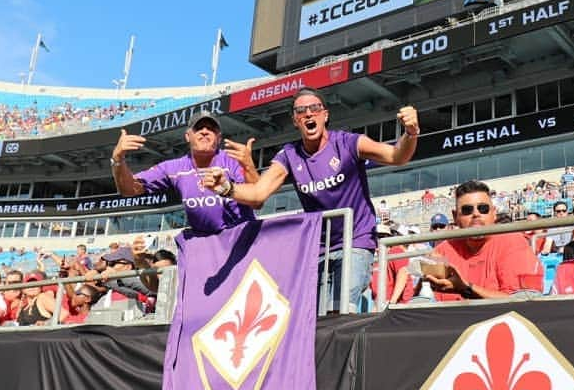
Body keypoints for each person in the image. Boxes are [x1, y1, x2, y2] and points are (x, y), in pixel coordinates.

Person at [206, 89, 420, 313]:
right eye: (301, 111)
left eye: (315, 108)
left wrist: (411, 133)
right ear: (295, 120)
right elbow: (258, 194)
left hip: (356, 240)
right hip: (319, 247)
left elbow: (397, 156)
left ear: (325, 115)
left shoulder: (348, 142)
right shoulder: (289, 155)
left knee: (339, 312)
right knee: (313, 319)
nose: (309, 114)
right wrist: (225, 187)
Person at [110, 112, 258, 235]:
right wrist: (117, 159)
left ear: (218, 138)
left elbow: (257, 201)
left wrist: (249, 167)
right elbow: (129, 190)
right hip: (204, 244)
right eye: (198, 128)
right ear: (188, 136)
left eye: (211, 129)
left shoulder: (232, 160)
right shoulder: (173, 168)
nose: (205, 131)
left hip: (241, 236)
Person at [426, 181, 539, 301]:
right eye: (467, 210)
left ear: (494, 213)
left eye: (483, 209)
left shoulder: (513, 241)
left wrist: (466, 288)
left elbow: (522, 301)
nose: (476, 214)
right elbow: (420, 299)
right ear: (455, 217)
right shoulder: (442, 251)